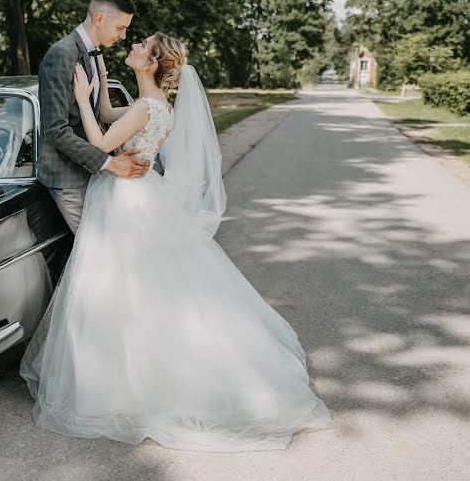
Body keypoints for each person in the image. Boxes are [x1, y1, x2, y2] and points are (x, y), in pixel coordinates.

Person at [20, 32, 334, 452]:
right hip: (143, 193)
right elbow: (115, 114)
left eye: (141, 46)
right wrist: (97, 94)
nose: (132, 46)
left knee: (121, 284)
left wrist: (79, 98)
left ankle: (127, 383)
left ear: (151, 63)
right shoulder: (157, 107)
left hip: (125, 200)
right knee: (143, 286)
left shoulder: (146, 108)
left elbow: (100, 143)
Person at [37, 0, 151, 234]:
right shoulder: (62, 54)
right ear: (99, 18)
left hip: (90, 172)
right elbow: (56, 130)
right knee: (96, 251)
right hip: (67, 177)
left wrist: (149, 112)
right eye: (120, 28)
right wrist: (109, 163)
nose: (123, 37)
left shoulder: (94, 54)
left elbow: (101, 115)